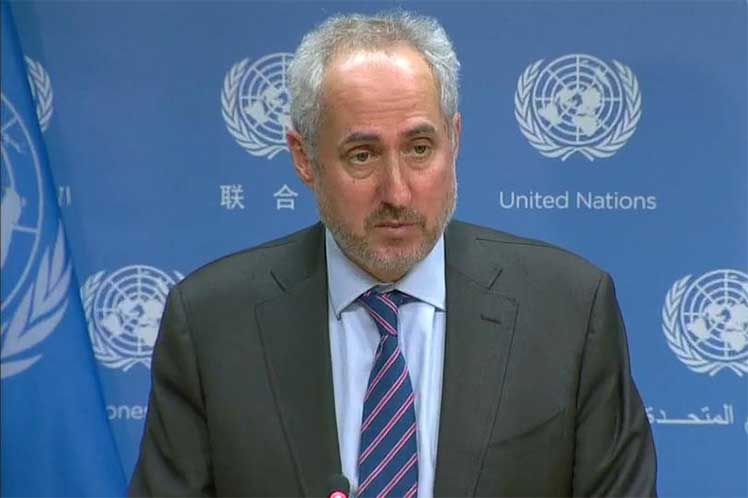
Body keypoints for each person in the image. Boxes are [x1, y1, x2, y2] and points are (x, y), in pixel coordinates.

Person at [129, 11, 656, 498]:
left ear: (454, 140)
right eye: (362, 155)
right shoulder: (212, 324)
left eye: (420, 148)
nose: (398, 193)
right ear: (303, 158)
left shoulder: (569, 311)